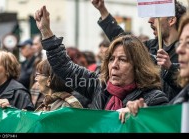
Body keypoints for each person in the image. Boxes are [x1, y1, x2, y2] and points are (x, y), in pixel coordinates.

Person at [34, 6, 168, 111]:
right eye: (111, 59)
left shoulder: (154, 99)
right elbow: (65, 67)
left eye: (122, 60)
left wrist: (142, 114)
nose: (114, 65)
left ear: (138, 66)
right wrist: (46, 31)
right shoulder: (99, 86)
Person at [91, 0, 187, 101]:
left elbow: (185, 86)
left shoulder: (185, 52)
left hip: (171, 113)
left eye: (155, 16)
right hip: (146, 111)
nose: (149, 20)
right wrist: (103, 10)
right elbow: (124, 41)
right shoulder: (149, 46)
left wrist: (170, 68)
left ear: (171, 20)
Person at [118, 13, 189, 123]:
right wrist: (145, 113)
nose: (180, 49)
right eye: (180, 43)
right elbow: (170, 122)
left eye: (188, 43)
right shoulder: (184, 97)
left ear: (171, 20)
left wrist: (170, 68)